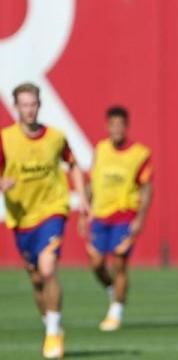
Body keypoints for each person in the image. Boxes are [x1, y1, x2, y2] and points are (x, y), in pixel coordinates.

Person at [0, 82, 89, 358]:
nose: (29, 109)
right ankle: (50, 324)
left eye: (33, 104)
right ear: (15, 107)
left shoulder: (55, 137)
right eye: (24, 105)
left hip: (52, 210)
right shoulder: (5, 139)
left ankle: (53, 332)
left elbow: (72, 163)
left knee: (48, 268)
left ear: (39, 105)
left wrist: (82, 198)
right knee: (36, 278)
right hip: (22, 216)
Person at [79, 106, 152, 331]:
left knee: (119, 263)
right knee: (96, 263)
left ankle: (116, 312)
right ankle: (114, 291)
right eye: (113, 125)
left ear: (126, 126)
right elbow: (91, 183)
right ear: (107, 126)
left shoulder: (140, 153)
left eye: (121, 125)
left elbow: (146, 188)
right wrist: (84, 213)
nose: (117, 129)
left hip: (124, 216)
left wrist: (140, 218)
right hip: (100, 216)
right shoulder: (100, 149)